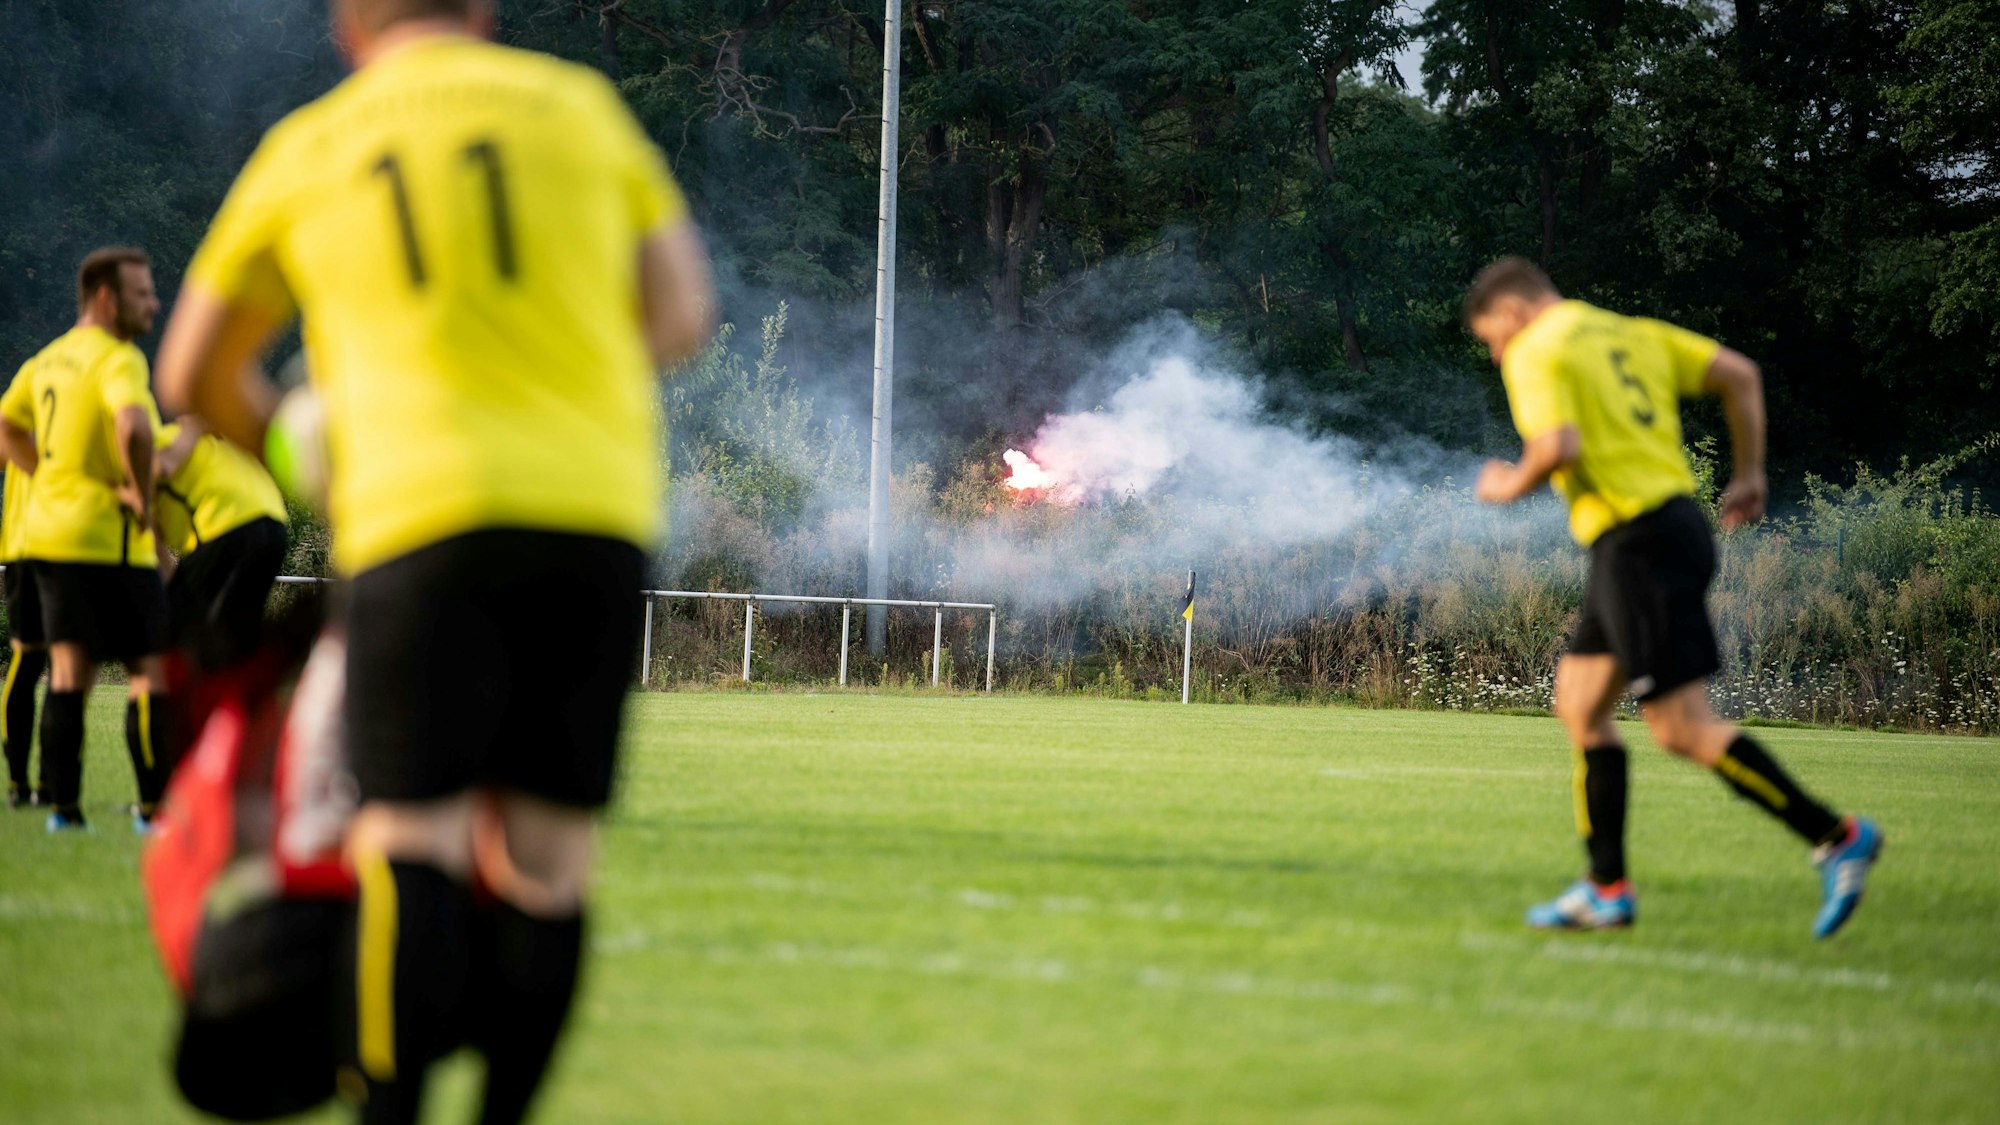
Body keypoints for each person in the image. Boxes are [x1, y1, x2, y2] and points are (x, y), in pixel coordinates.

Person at [156, 0, 713, 1119]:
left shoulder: (314, 143)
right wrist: (562, 377)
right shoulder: (581, 110)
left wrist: (287, 439)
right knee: (549, 863)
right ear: (484, 9)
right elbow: (681, 315)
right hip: (589, 509)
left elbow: (191, 373)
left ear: (346, 24)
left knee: (408, 837)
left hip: (418, 513)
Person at [1465, 256, 1882, 939]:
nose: (1497, 353)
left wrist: (1506, 486)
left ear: (1512, 311)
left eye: (1492, 339)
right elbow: (1740, 374)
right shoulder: (1629, 331)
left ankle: (1837, 834)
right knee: (1578, 699)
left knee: (1681, 727)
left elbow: (1557, 444)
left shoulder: (1538, 346)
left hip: (1639, 542)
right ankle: (1606, 889)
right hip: (1658, 532)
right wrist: (1747, 473)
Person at [0, 246, 173, 833]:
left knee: (69, 674)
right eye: (143, 292)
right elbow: (134, 424)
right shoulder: (118, 358)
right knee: (149, 671)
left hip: (48, 537)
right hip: (108, 540)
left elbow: (5, 423)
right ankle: (153, 812)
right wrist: (140, 496)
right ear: (107, 298)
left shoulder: (46, 361)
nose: (154, 301)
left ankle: (63, 813)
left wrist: (46, 476)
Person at [154, 417, 290, 673]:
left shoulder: (140, 457)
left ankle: (154, 710)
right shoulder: (181, 433)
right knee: (234, 644)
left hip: (225, 524)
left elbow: (154, 552)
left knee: (164, 646)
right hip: (274, 522)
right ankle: (237, 705)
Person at [3, 459, 49, 807]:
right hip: (62, 542)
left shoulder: (23, 403)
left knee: (41, 661)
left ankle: (26, 785)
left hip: (31, 543)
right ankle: (42, 786)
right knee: (64, 666)